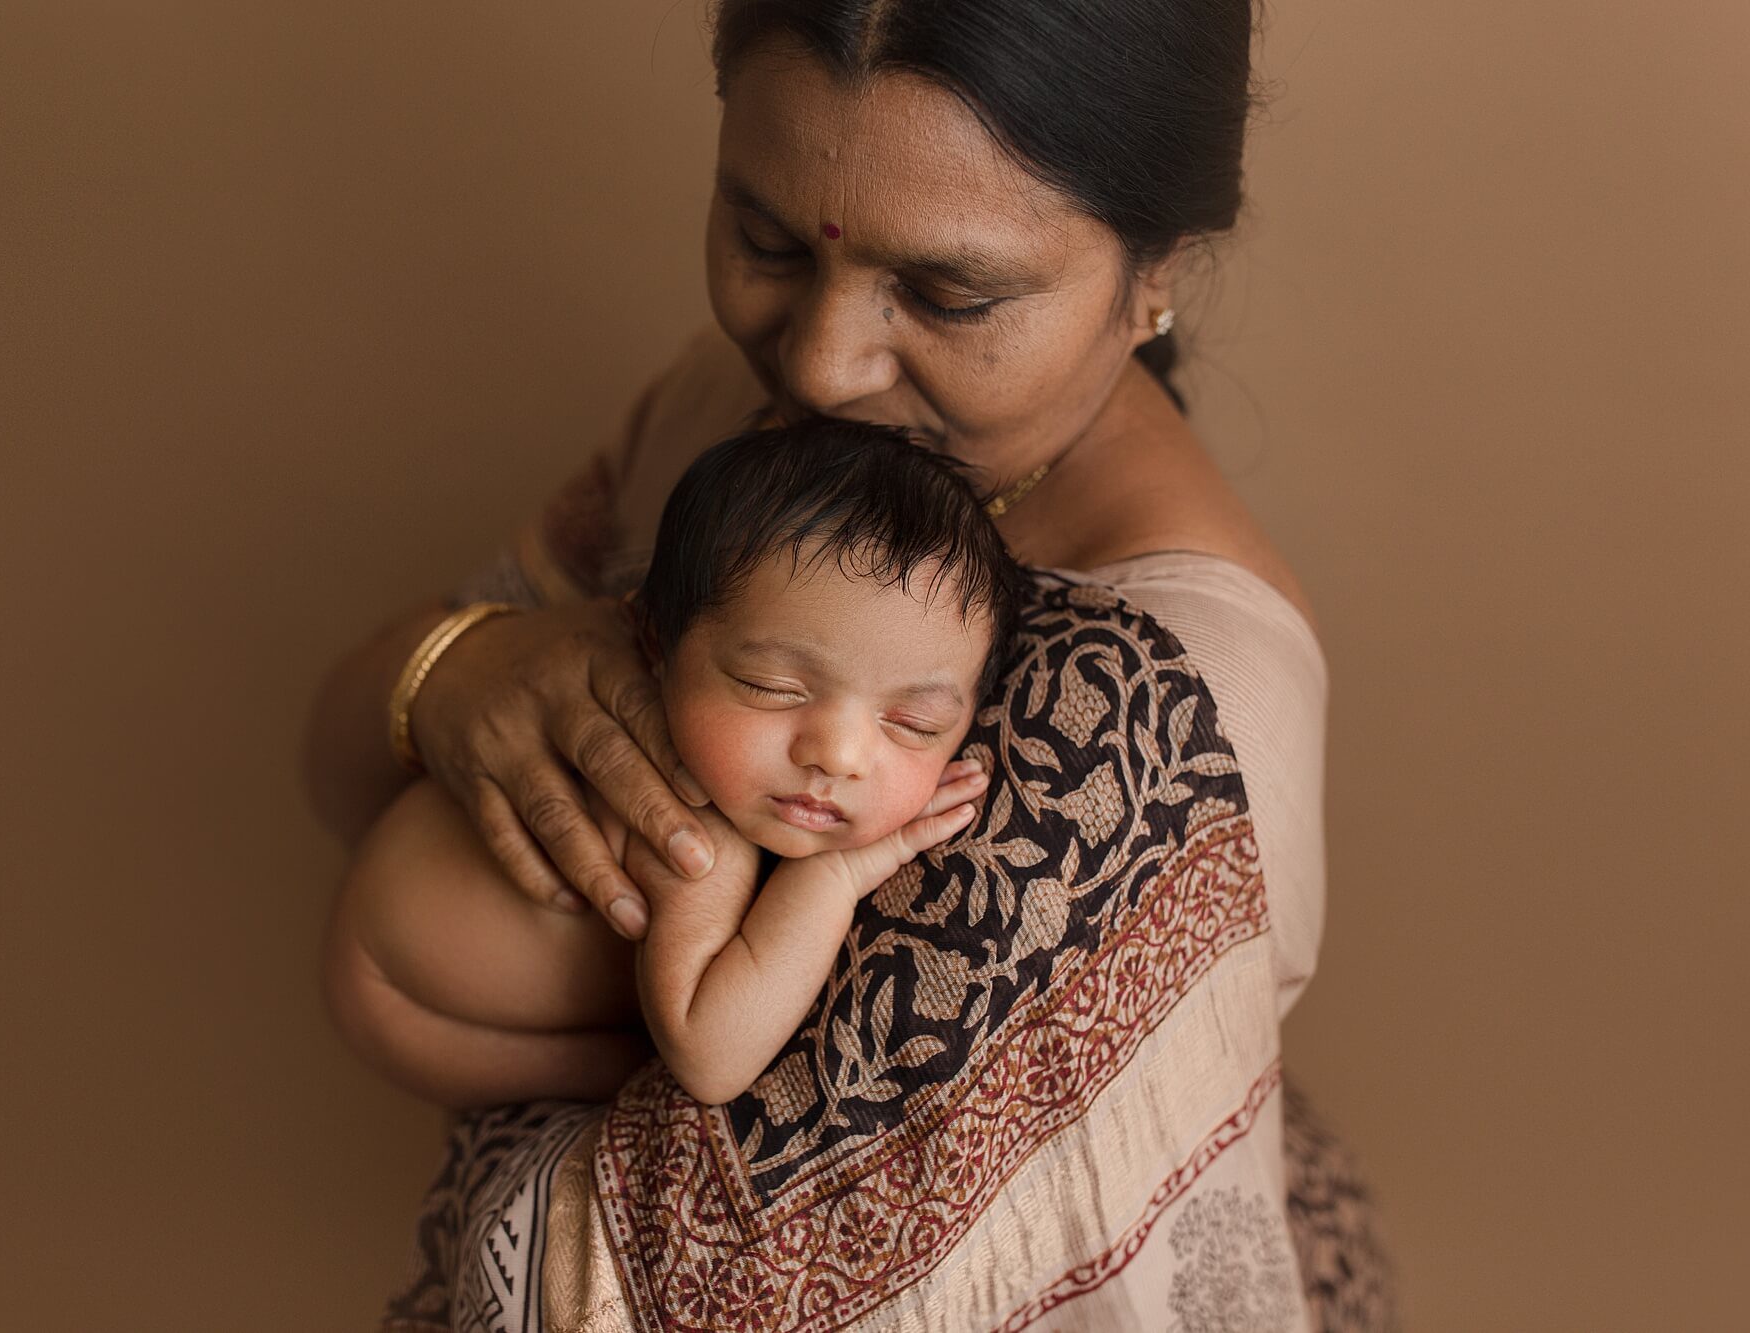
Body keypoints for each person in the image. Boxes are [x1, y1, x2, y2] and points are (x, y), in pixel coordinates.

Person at [307, 1, 1396, 1328]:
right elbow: (341, 752)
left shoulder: (1160, 706)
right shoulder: (733, 415)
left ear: (1154, 269)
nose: (821, 367)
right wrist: (461, 672)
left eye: (950, 294)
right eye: (765, 239)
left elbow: (684, 1278)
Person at [334, 421, 1022, 1109]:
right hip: (398, 990)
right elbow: (711, 1059)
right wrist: (834, 875)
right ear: (655, 644)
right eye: (773, 688)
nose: (839, 755)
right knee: (641, 1079)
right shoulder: (691, 828)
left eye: (913, 725)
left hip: (391, 916)